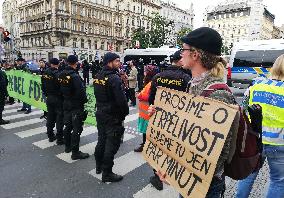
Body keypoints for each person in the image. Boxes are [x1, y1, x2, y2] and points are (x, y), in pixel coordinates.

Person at [153, 27, 238, 198]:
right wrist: (162, 115)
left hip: (205, 186)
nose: (180, 53)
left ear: (195, 54)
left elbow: (217, 153)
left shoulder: (218, 95)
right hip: (188, 180)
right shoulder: (192, 84)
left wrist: (178, 174)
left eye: (183, 49)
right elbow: (186, 132)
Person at [236, 55, 284, 198]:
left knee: (248, 175)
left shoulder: (256, 86)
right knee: (278, 181)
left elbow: (243, 109)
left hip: (254, 139)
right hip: (279, 143)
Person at [148, 50, 192, 191]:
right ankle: (173, 175)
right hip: (178, 121)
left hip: (160, 119)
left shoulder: (158, 77)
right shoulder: (186, 78)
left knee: (159, 148)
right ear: (179, 60)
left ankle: (158, 175)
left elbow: (151, 100)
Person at [93, 52, 129, 183]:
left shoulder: (98, 75)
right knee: (111, 144)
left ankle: (99, 166)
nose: (119, 63)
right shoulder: (114, 78)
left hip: (101, 112)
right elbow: (121, 100)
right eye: (117, 61)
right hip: (112, 115)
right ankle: (107, 173)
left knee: (101, 140)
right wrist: (124, 113)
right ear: (110, 62)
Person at [58, 55, 89, 160]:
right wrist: (85, 101)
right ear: (76, 63)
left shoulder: (61, 74)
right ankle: (75, 152)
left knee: (67, 126)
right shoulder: (75, 76)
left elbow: (59, 89)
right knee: (77, 128)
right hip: (76, 105)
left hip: (66, 103)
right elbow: (81, 91)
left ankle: (67, 147)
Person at [134, 65, 158, 152]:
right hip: (145, 112)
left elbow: (150, 96)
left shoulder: (151, 83)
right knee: (145, 130)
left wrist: (139, 95)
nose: (144, 73)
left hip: (147, 112)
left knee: (146, 130)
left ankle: (145, 145)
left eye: (145, 71)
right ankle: (145, 143)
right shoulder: (150, 82)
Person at [41, 58, 64, 144]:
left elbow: (42, 86)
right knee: (59, 118)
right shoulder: (57, 74)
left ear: (51, 64)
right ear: (57, 64)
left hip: (49, 98)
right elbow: (61, 87)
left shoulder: (45, 73)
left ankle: (50, 135)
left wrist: (47, 94)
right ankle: (60, 138)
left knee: (50, 117)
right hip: (57, 98)